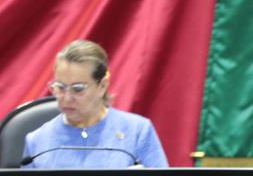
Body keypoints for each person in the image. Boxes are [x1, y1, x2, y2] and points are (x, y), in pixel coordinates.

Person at [22, 39, 168, 168]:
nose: (66, 98)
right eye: (60, 87)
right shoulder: (37, 141)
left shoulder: (138, 132)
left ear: (102, 86)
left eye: (78, 89)